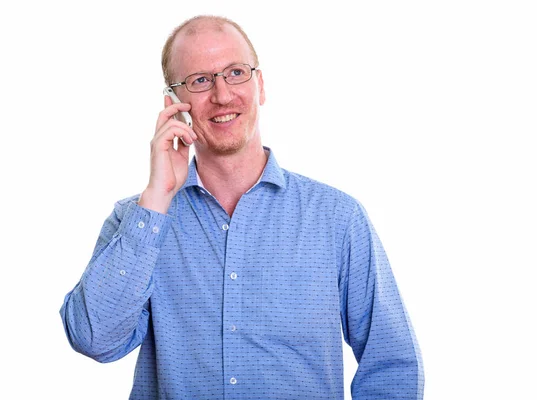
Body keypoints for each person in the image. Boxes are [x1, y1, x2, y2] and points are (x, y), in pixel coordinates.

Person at [60, 15, 424, 400]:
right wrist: (156, 198)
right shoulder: (138, 221)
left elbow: (392, 363)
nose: (221, 94)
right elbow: (94, 339)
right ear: (174, 104)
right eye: (200, 80)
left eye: (235, 72)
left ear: (260, 85)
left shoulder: (337, 218)